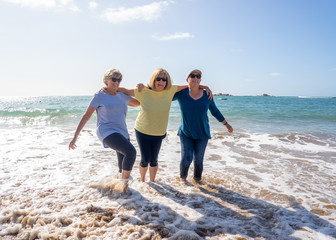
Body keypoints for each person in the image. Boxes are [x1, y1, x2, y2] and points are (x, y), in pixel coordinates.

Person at [117, 68, 212, 182]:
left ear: (167, 82)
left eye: (164, 79)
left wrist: (204, 87)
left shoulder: (170, 90)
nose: (161, 82)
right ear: (153, 79)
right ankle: (142, 182)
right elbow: (125, 91)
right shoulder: (143, 91)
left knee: (154, 160)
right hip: (142, 130)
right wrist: (109, 88)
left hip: (159, 132)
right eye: (158, 79)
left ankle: (152, 182)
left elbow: (190, 85)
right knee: (144, 159)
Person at [69, 68, 140, 192]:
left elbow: (138, 103)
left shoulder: (122, 96)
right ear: (106, 80)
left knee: (122, 166)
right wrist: (75, 137)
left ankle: (118, 190)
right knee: (131, 152)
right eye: (114, 79)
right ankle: (124, 188)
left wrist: (125, 90)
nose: (116, 82)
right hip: (106, 131)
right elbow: (86, 116)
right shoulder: (99, 96)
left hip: (122, 132)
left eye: (119, 80)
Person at [173, 69, 233, 183]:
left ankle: (198, 183)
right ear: (187, 79)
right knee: (186, 158)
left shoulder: (207, 95)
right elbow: (168, 93)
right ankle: (182, 182)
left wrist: (226, 124)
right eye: (192, 76)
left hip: (202, 133)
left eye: (198, 76)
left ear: (200, 79)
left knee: (198, 160)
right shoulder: (181, 94)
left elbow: (214, 111)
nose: (195, 78)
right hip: (186, 132)